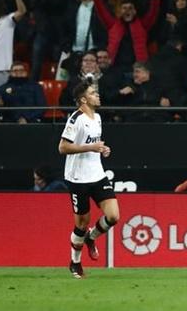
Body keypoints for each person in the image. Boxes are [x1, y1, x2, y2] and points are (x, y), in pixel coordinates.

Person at [58, 82, 119, 279]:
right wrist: (90, 148)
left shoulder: (98, 118)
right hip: (78, 178)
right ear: (84, 99)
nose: (98, 95)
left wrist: (102, 149)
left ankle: (91, 239)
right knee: (81, 224)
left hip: (97, 174)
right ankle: (75, 263)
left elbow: (94, 144)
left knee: (113, 216)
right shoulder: (76, 119)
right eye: (93, 93)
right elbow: (63, 148)